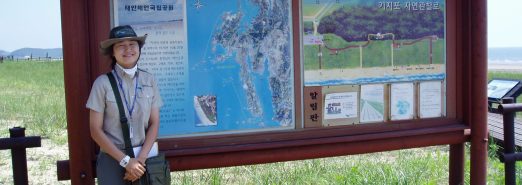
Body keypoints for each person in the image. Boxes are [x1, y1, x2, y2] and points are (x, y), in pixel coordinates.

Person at [86, 25, 163, 184]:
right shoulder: (102, 84)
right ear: (112, 53)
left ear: (139, 49)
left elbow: (154, 122)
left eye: (132, 44)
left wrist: (140, 160)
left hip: (144, 158)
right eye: (121, 45)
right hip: (112, 159)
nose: (127, 49)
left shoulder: (149, 80)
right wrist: (126, 162)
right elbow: (95, 129)